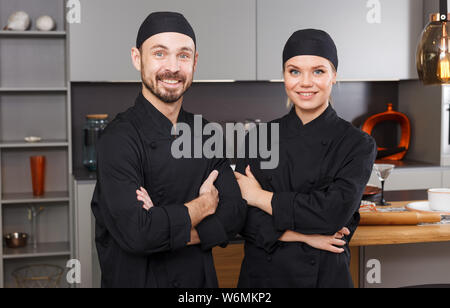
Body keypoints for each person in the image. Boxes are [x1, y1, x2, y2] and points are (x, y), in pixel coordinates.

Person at [91, 12, 247, 288]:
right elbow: (138, 233)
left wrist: (163, 223)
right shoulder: (118, 139)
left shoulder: (207, 133)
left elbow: (234, 214)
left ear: (195, 62)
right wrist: (203, 206)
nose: (172, 67)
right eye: (160, 54)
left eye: (183, 55)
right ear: (137, 58)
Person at [234, 29, 377, 288]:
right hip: (263, 277)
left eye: (318, 71)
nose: (306, 82)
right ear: (284, 77)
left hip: (324, 277)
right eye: (294, 71)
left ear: (334, 76)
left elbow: (332, 214)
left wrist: (259, 197)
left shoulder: (357, 144)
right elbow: (242, 218)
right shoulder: (260, 137)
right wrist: (308, 236)